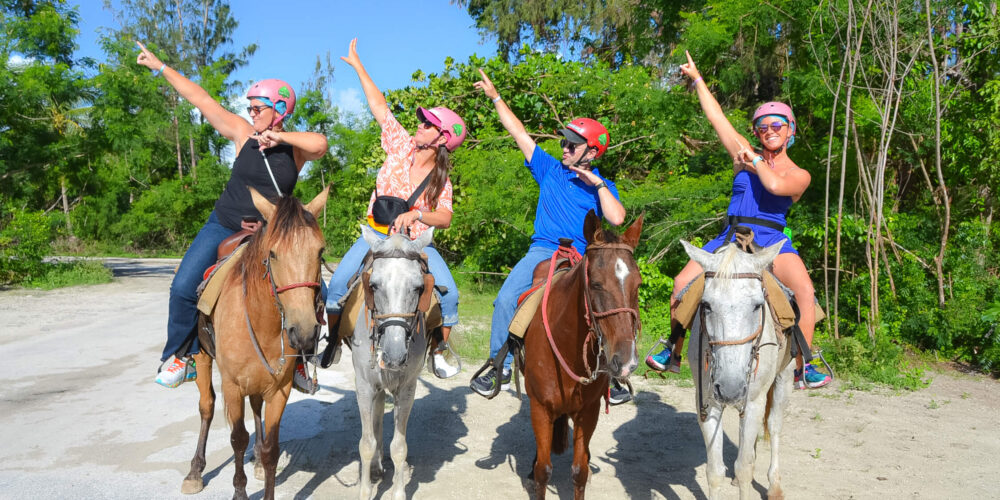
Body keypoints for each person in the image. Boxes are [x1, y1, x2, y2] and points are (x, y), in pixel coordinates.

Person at [136, 42, 329, 391]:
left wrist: (279, 136)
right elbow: (202, 100)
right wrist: (160, 67)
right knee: (182, 286)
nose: (252, 112)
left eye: (258, 107)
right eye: (250, 107)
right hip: (224, 224)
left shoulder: (295, 149)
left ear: (279, 110)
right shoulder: (243, 134)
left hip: (272, 233)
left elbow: (321, 144)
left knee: (317, 291)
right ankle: (183, 355)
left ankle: (301, 362)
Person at [645, 51, 830, 390]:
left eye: (777, 125)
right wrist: (698, 79)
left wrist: (752, 160)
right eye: (763, 127)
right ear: (757, 132)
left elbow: (773, 185)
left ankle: (806, 364)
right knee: (680, 282)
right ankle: (673, 350)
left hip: (772, 240)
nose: (769, 130)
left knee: (804, 289)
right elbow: (718, 119)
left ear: (790, 131)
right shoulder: (744, 154)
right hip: (730, 235)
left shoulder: (798, 173)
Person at [468, 69, 629, 399]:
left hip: (584, 257)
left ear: (592, 152)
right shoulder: (550, 169)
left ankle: (613, 376)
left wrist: (595, 183)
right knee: (505, 299)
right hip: (543, 251)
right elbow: (518, 132)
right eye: (564, 142)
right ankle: (500, 366)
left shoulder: (602, 187)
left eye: (572, 144)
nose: (565, 148)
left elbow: (616, 217)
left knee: (611, 306)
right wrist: (495, 96)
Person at [323, 39, 464, 378]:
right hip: (376, 235)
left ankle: (439, 350)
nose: (420, 125)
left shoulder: (440, 180)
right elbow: (379, 106)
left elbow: (444, 217)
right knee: (337, 288)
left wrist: (417, 214)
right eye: (422, 122)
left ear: (442, 139)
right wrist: (358, 66)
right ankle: (331, 344)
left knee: (451, 296)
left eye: (428, 124)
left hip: (416, 245)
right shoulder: (400, 146)